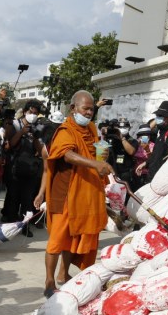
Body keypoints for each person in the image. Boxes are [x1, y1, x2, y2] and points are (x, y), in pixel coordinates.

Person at [35, 90, 113, 297]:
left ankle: (64, 274)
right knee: (57, 240)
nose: (88, 113)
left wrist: (101, 155)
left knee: (73, 238)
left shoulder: (91, 129)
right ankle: (49, 281)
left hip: (85, 194)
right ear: (73, 108)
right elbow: (67, 155)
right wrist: (95, 163)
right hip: (65, 194)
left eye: (91, 109)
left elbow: (94, 149)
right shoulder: (64, 130)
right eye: (85, 108)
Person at [146, 100, 168, 180]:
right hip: (152, 174)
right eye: (158, 115)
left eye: (161, 115)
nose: (158, 118)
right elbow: (157, 154)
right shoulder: (162, 131)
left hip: (160, 178)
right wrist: (146, 163)